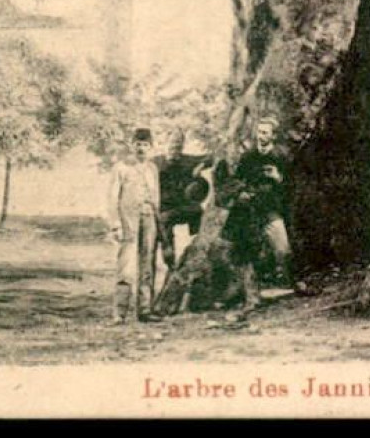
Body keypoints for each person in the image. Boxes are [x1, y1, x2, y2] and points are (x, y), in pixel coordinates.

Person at [218, 116, 307, 319]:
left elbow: (292, 187)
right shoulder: (248, 157)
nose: (261, 136)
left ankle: (296, 283)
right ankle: (252, 297)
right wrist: (241, 192)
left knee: (282, 248)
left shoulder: (281, 156)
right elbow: (237, 181)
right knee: (245, 250)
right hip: (249, 211)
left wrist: (278, 177)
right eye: (259, 132)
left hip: (270, 209)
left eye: (265, 132)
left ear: (273, 136)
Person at [108, 127, 162, 323]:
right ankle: (119, 313)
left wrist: (157, 222)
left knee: (147, 264)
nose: (141, 148)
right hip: (128, 220)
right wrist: (115, 224)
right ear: (132, 145)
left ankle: (145, 310)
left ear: (151, 147)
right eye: (137, 144)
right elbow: (113, 198)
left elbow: (156, 198)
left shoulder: (152, 169)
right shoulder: (121, 168)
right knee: (126, 267)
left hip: (149, 219)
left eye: (145, 145)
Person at [154, 130, 211, 276]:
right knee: (164, 221)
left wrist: (202, 166)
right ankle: (170, 263)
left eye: (179, 145)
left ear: (183, 146)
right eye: (173, 144)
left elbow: (213, 157)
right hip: (164, 209)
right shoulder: (155, 163)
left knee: (198, 212)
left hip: (184, 207)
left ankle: (197, 252)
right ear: (165, 144)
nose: (175, 148)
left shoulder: (188, 161)